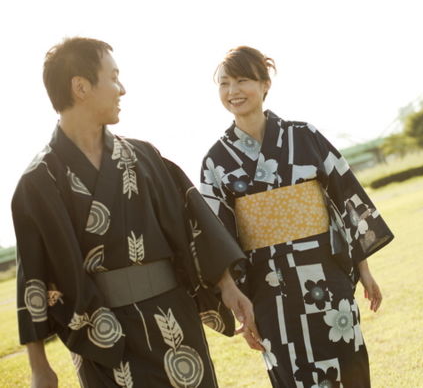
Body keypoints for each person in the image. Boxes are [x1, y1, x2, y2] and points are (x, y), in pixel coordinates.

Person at [12, 37, 261, 387]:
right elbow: (33, 276)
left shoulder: (144, 157)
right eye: (114, 78)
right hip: (103, 341)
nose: (122, 89)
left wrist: (228, 285)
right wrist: (39, 367)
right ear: (81, 87)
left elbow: (192, 222)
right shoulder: (39, 182)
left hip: (175, 326)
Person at [200, 46, 394, 387]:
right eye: (224, 83)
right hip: (268, 289)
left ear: (265, 84)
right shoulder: (216, 160)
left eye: (242, 80)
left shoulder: (304, 136)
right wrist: (239, 302)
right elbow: (215, 236)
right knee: (291, 373)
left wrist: (364, 269)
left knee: (347, 365)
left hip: (325, 275)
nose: (232, 91)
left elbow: (346, 195)